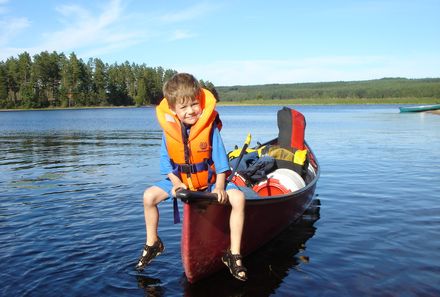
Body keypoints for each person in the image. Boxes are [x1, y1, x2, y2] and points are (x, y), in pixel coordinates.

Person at [136, 73, 247, 281]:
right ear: (173, 110)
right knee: (148, 197)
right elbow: (166, 163)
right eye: (183, 107)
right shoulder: (169, 131)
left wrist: (220, 187)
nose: (190, 111)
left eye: (194, 104)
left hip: (211, 181)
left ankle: (233, 254)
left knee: (239, 199)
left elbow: (222, 163)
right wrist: (177, 182)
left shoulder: (209, 127)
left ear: (200, 102)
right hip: (182, 182)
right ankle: (153, 243)